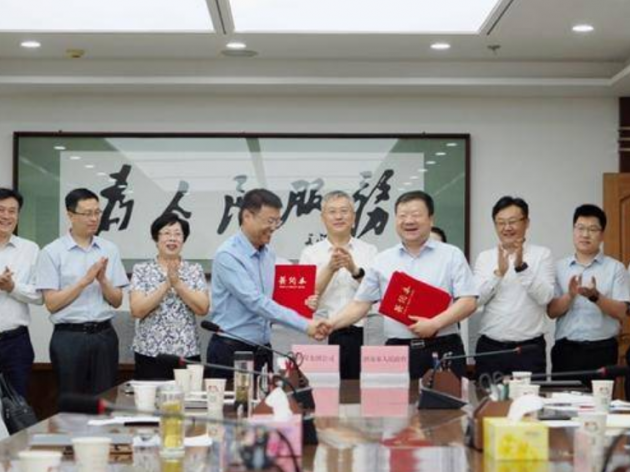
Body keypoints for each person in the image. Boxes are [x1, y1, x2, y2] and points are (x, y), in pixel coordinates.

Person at [319, 190, 477, 379]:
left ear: (431, 219)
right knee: (395, 399)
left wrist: (435, 323)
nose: (408, 221)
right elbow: (360, 304)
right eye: (402, 215)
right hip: (397, 352)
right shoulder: (383, 260)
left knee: (446, 398)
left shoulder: (451, 255)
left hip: (443, 348)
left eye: (416, 215)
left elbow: (468, 301)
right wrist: (330, 324)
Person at [207, 188, 326, 378]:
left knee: (267, 397)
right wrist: (305, 324)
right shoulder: (228, 255)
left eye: (277, 221)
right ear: (247, 216)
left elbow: (275, 296)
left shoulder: (268, 253)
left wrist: (304, 303)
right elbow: (255, 301)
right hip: (231, 350)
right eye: (270, 221)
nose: (274, 227)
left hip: (263, 349)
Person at [36, 188, 128, 397]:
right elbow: (52, 303)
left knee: (106, 400)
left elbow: (117, 301)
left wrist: (102, 280)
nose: (94, 218)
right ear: (70, 215)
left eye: (97, 212)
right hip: (69, 338)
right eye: (87, 213)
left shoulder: (109, 249)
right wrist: (85, 281)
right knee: (72, 402)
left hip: (104, 336)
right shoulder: (52, 252)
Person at [299, 191, 377, 379]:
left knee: (358, 391)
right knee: (322, 390)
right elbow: (304, 297)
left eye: (344, 211)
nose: (339, 216)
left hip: (362, 332)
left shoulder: (369, 251)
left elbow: (376, 292)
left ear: (354, 217)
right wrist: (330, 268)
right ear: (323, 218)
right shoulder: (310, 253)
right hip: (323, 333)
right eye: (332, 212)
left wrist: (354, 269)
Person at [473, 196, 554, 377]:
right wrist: (498, 274)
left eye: (512, 221)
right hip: (491, 349)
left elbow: (545, 297)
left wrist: (521, 267)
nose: (507, 228)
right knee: (486, 395)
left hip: (528, 350)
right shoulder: (485, 257)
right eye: (501, 222)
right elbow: (476, 300)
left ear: (527, 223)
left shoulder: (542, 255)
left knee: (529, 396)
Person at [548, 204, 629, 383]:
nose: (585, 234)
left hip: (602, 350)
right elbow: (551, 312)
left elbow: (622, 312)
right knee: (561, 400)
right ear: (573, 230)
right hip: (566, 351)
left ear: (602, 235)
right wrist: (570, 296)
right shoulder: (559, 267)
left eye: (592, 229)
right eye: (580, 228)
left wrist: (595, 296)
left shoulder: (615, 268)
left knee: (600, 400)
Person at [130, 213, 210, 380]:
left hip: (187, 351)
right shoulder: (141, 269)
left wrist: (178, 284)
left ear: (183, 239)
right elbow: (137, 310)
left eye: (177, 234)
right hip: (150, 352)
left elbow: (203, 308)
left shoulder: (194, 270)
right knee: (151, 397)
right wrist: (167, 284)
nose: (172, 238)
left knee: (187, 396)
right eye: (166, 233)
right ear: (156, 238)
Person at [0, 188, 42, 398]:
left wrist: (12, 287)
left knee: (17, 404)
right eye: (1, 210)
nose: (6, 216)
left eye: (12, 211)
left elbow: (39, 296)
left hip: (15, 342)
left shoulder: (30, 249)